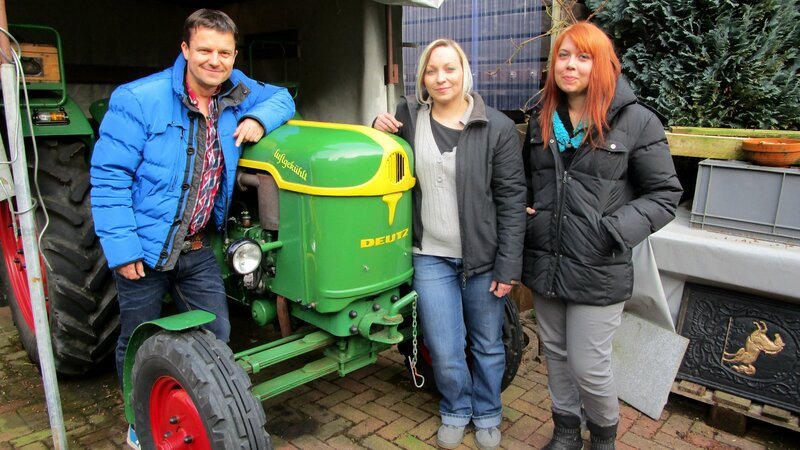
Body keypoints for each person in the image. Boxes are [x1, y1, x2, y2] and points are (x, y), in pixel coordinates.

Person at [89, 8, 295, 449]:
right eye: (204, 50)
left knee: (217, 335)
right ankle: (138, 420)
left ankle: (203, 409)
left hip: (199, 246)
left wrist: (259, 119)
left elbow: (283, 97)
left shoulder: (236, 91)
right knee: (139, 337)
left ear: (234, 55)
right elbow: (109, 179)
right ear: (185, 49)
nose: (214, 61)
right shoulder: (138, 99)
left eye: (224, 53)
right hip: (146, 249)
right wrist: (123, 249)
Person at [522, 22, 682, 450]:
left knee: (590, 364)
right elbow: (528, 181)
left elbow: (665, 194)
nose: (570, 65)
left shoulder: (636, 121)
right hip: (547, 258)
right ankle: (566, 432)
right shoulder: (542, 119)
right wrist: (527, 212)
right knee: (556, 353)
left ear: (604, 65)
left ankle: (604, 436)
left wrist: (612, 230)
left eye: (583, 57)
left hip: (600, 264)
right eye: (563, 56)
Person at [373, 39, 526, 450]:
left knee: (487, 343)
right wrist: (377, 127)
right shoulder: (409, 116)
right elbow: (383, 158)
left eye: (449, 69)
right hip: (430, 257)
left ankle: (488, 412)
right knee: (443, 346)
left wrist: (508, 265)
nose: (441, 78)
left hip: (483, 258)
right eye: (431, 70)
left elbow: (512, 200)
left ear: (464, 73)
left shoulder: (496, 127)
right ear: (422, 77)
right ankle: (456, 408)